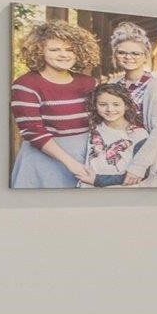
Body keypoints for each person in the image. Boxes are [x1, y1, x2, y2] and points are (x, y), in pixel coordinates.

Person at [9, 18, 99, 188]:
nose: (64, 54)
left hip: (86, 157)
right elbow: (33, 131)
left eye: (70, 49)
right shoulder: (26, 85)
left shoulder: (89, 83)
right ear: (39, 51)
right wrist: (71, 164)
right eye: (54, 49)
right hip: (44, 160)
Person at [105, 20, 157, 184]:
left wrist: (138, 166)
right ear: (115, 55)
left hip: (143, 160)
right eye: (122, 53)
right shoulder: (110, 85)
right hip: (114, 155)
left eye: (135, 53)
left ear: (145, 57)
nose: (128, 57)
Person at [83, 84, 154, 187]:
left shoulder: (139, 134)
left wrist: (99, 180)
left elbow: (142, 174)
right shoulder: (93, 128)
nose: (110, 109)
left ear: (126, 105)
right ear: (95, 105)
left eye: (116, 104)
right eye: (103, 104)